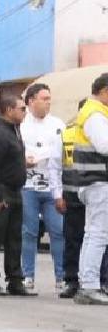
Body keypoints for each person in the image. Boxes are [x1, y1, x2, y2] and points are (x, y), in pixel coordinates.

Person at [0, 94, 36, 296]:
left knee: (14, 239)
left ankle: (15, 280)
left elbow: (9, 159)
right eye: (21, 108)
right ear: (8, 110)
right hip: (0, 190)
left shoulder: (15, 130)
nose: (25, 112)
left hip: (15, 190)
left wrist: (23, 164)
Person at [59, 97, 108, 298]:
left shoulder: (91, 113)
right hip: (98, 183)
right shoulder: (95, 115)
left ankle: (87, 282)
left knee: (92, 234)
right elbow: (105, 146)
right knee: (98, 235)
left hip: (90, 183)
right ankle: (89, 285)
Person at [19, 83, 66, 292]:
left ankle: (62, 277)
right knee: (29, 232)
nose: (48, 102)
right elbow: (14, 151)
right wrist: (24, 160)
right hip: (27, 186)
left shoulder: (58, 125)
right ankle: (27, 276)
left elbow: (63, 152)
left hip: (52, 187)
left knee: (58, 231)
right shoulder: (20, 125)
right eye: (44, 98)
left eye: (49, 99)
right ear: (31, 101)